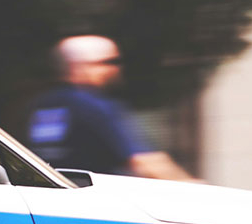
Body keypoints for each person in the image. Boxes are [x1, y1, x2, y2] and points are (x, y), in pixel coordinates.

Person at [25, 34, 197, 181]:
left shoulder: (41, 104)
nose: (116, 68)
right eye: (109, 62)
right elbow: (145, 162)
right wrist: (192, 189)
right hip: (99, 203)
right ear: (78, 66)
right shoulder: (93, 105)